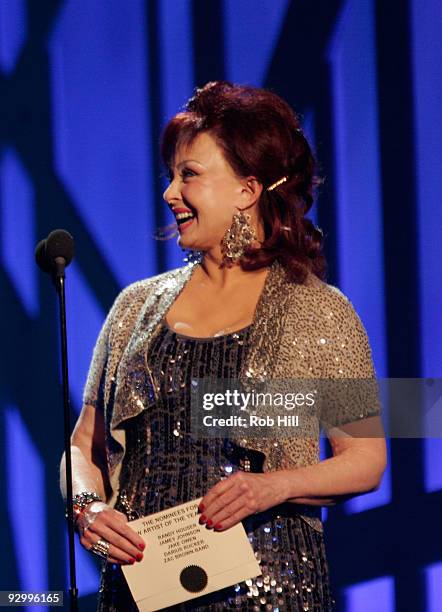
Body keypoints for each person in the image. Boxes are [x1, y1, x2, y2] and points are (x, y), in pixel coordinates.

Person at [60, 81, 386, 611]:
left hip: (269, 590)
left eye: (189, 174)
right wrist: (87, 507)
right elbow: (83, 445)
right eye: (171, 174)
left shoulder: (319, 310)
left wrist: (271, 487)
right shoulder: (135, 308)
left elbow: (365, 461)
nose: (169, 192)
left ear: (247, 189)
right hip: (143, 592)